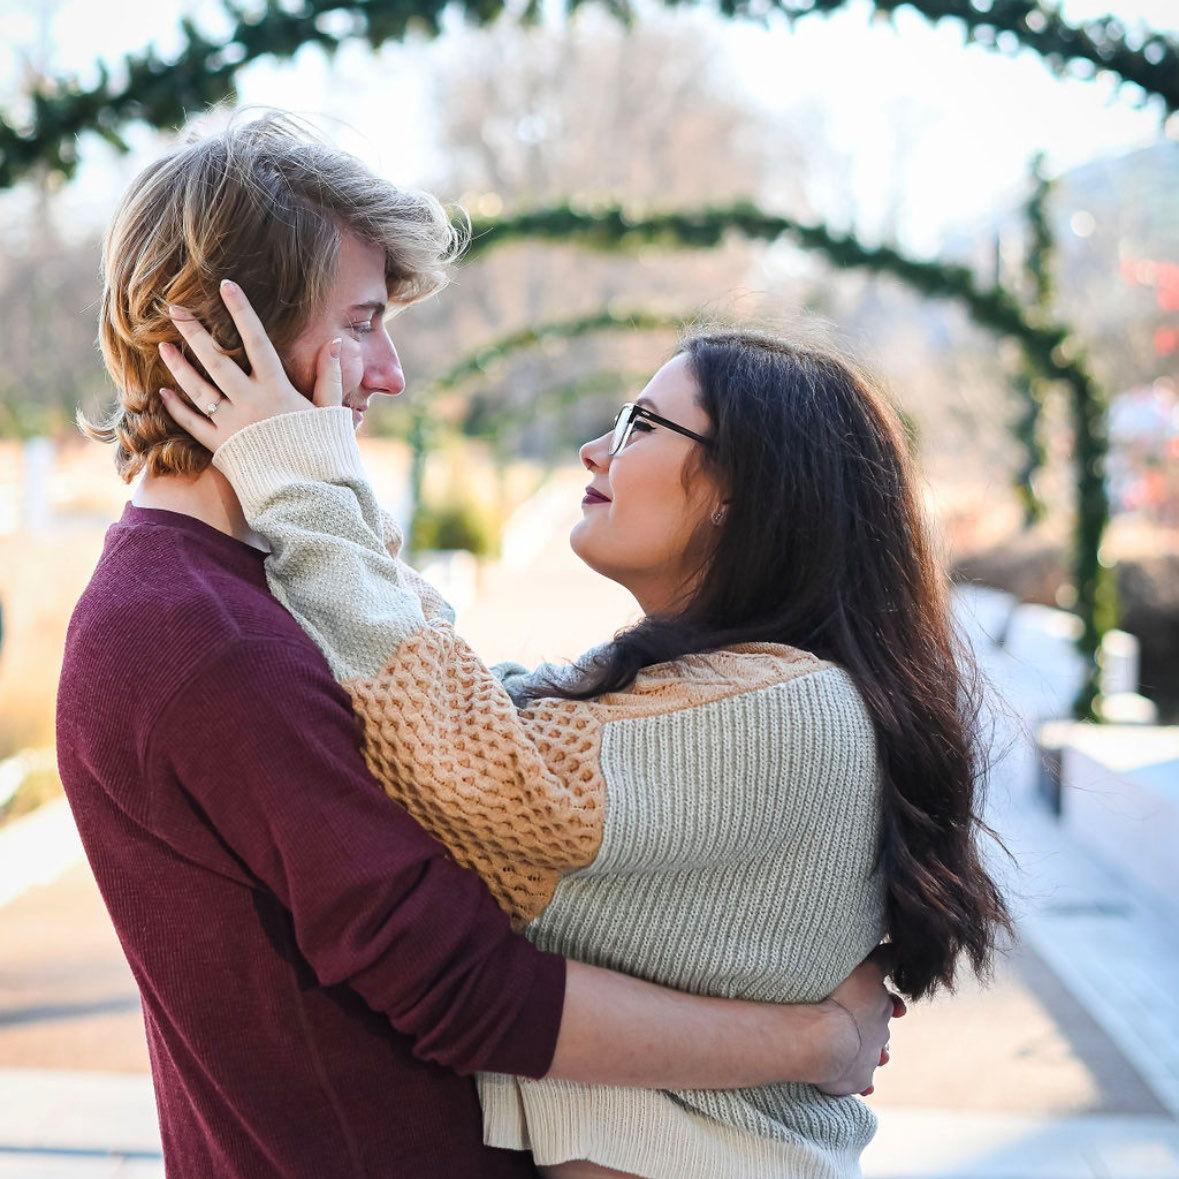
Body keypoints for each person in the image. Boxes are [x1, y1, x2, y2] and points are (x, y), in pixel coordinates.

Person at [57, 113, 898, 1179]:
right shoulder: (202, 636)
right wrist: (809, 1042)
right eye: (362, 321)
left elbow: (464, 730)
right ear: (228, 342)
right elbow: (464, 983)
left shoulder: (250, 595)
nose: (391, 372)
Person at [155, 285, 1011, 1175]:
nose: (594, 448)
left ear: (742, 490)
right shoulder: (709, 688)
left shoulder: (792, 708)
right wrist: (815, 1039)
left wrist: (301, 478)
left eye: (642, 425)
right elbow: (450, 702)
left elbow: (467, 776)